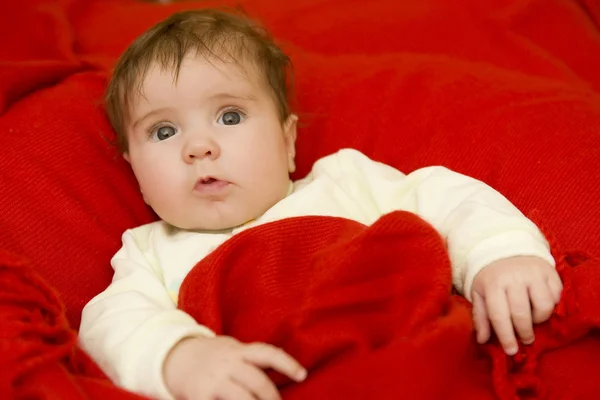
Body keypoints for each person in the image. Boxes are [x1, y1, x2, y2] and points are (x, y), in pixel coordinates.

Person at [79, 8, 563, 400]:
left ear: (288, 141)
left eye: (230, 115)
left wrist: (500, 255)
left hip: (414, 358)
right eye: (164, 131)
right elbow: (111, 323)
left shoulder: (344, 181)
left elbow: (446, 199)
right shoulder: (148, 251)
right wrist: (179, 357)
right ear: (134, 170)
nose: (199, 146)